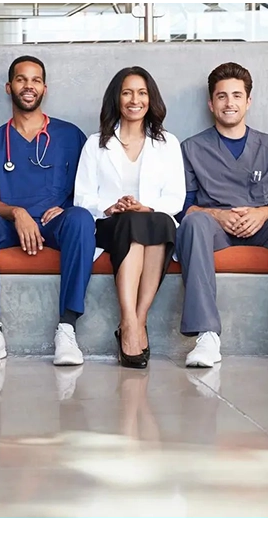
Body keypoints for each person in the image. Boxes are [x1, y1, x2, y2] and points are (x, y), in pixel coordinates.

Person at [177, 62, 268, 368]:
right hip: (215, 229)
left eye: (237, 96)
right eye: (222, 96)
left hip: (263, 226)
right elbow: (184, 204)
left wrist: (262, 213)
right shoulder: (191, 147)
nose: (230, 103)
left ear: (248, 101)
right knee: (193, 222)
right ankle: (206, 335)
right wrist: (215, 214)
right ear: (211, 103)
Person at [0, 55, 95, 367]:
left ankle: (67, 330)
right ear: (9, 87)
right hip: (8, 225)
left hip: (54, 222)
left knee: (82, 219)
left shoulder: (70, 136)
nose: (28, 86)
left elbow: (87, 190)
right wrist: (17, 212)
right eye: (21, 79)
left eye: (35, 80)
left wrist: (66, 207)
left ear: (44, 88)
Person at [74, 66, 185, 368]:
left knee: (156, 221)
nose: (134, 99)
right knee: (132, 223)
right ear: (116, 99)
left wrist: (145, 206)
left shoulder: (167, 143)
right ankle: (128, 319)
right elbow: (82, 196)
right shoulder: (96, 143)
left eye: (141, 92)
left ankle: (137, 320)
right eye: (127, 92)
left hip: (152, 220)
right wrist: (111, 207)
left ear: (151, 99)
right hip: (110, 224)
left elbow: (176, 197)